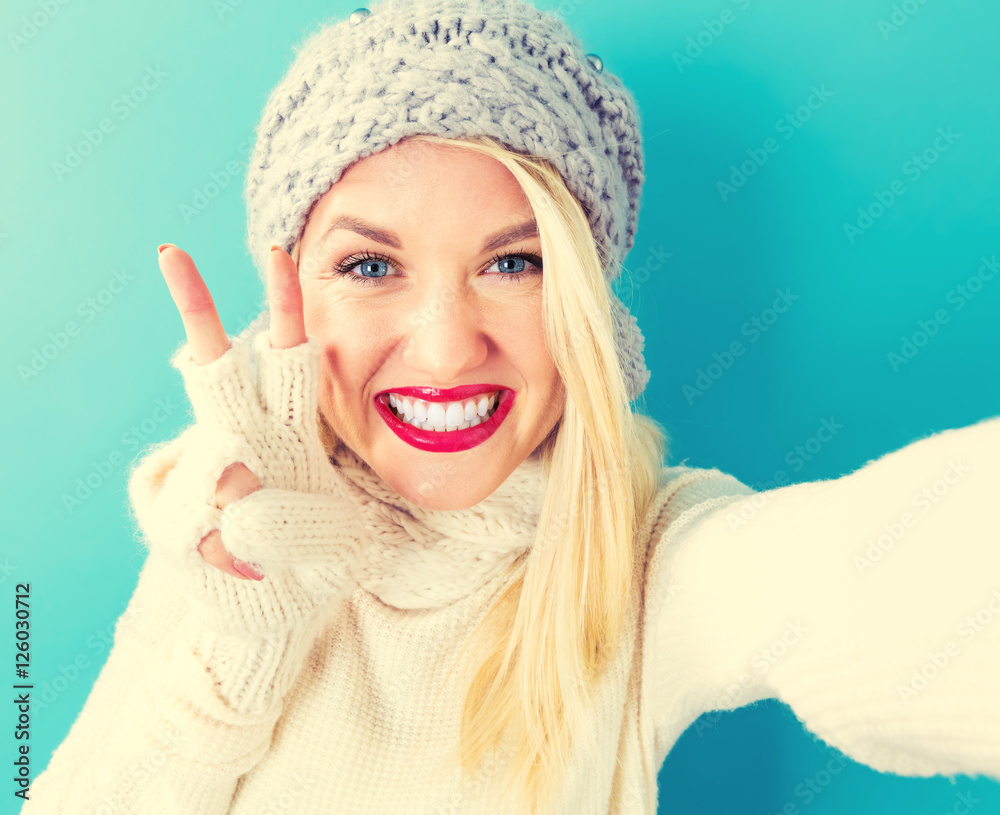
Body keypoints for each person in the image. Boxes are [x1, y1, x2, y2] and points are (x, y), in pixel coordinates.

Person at [23, 0, 1000, 813]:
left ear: (581, 298)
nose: (447, 347)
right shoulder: (231, 543)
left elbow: (877, 576)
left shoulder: (648, 557)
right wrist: (241, 633)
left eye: (513, 262)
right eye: (370, 264)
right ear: (293, 302)